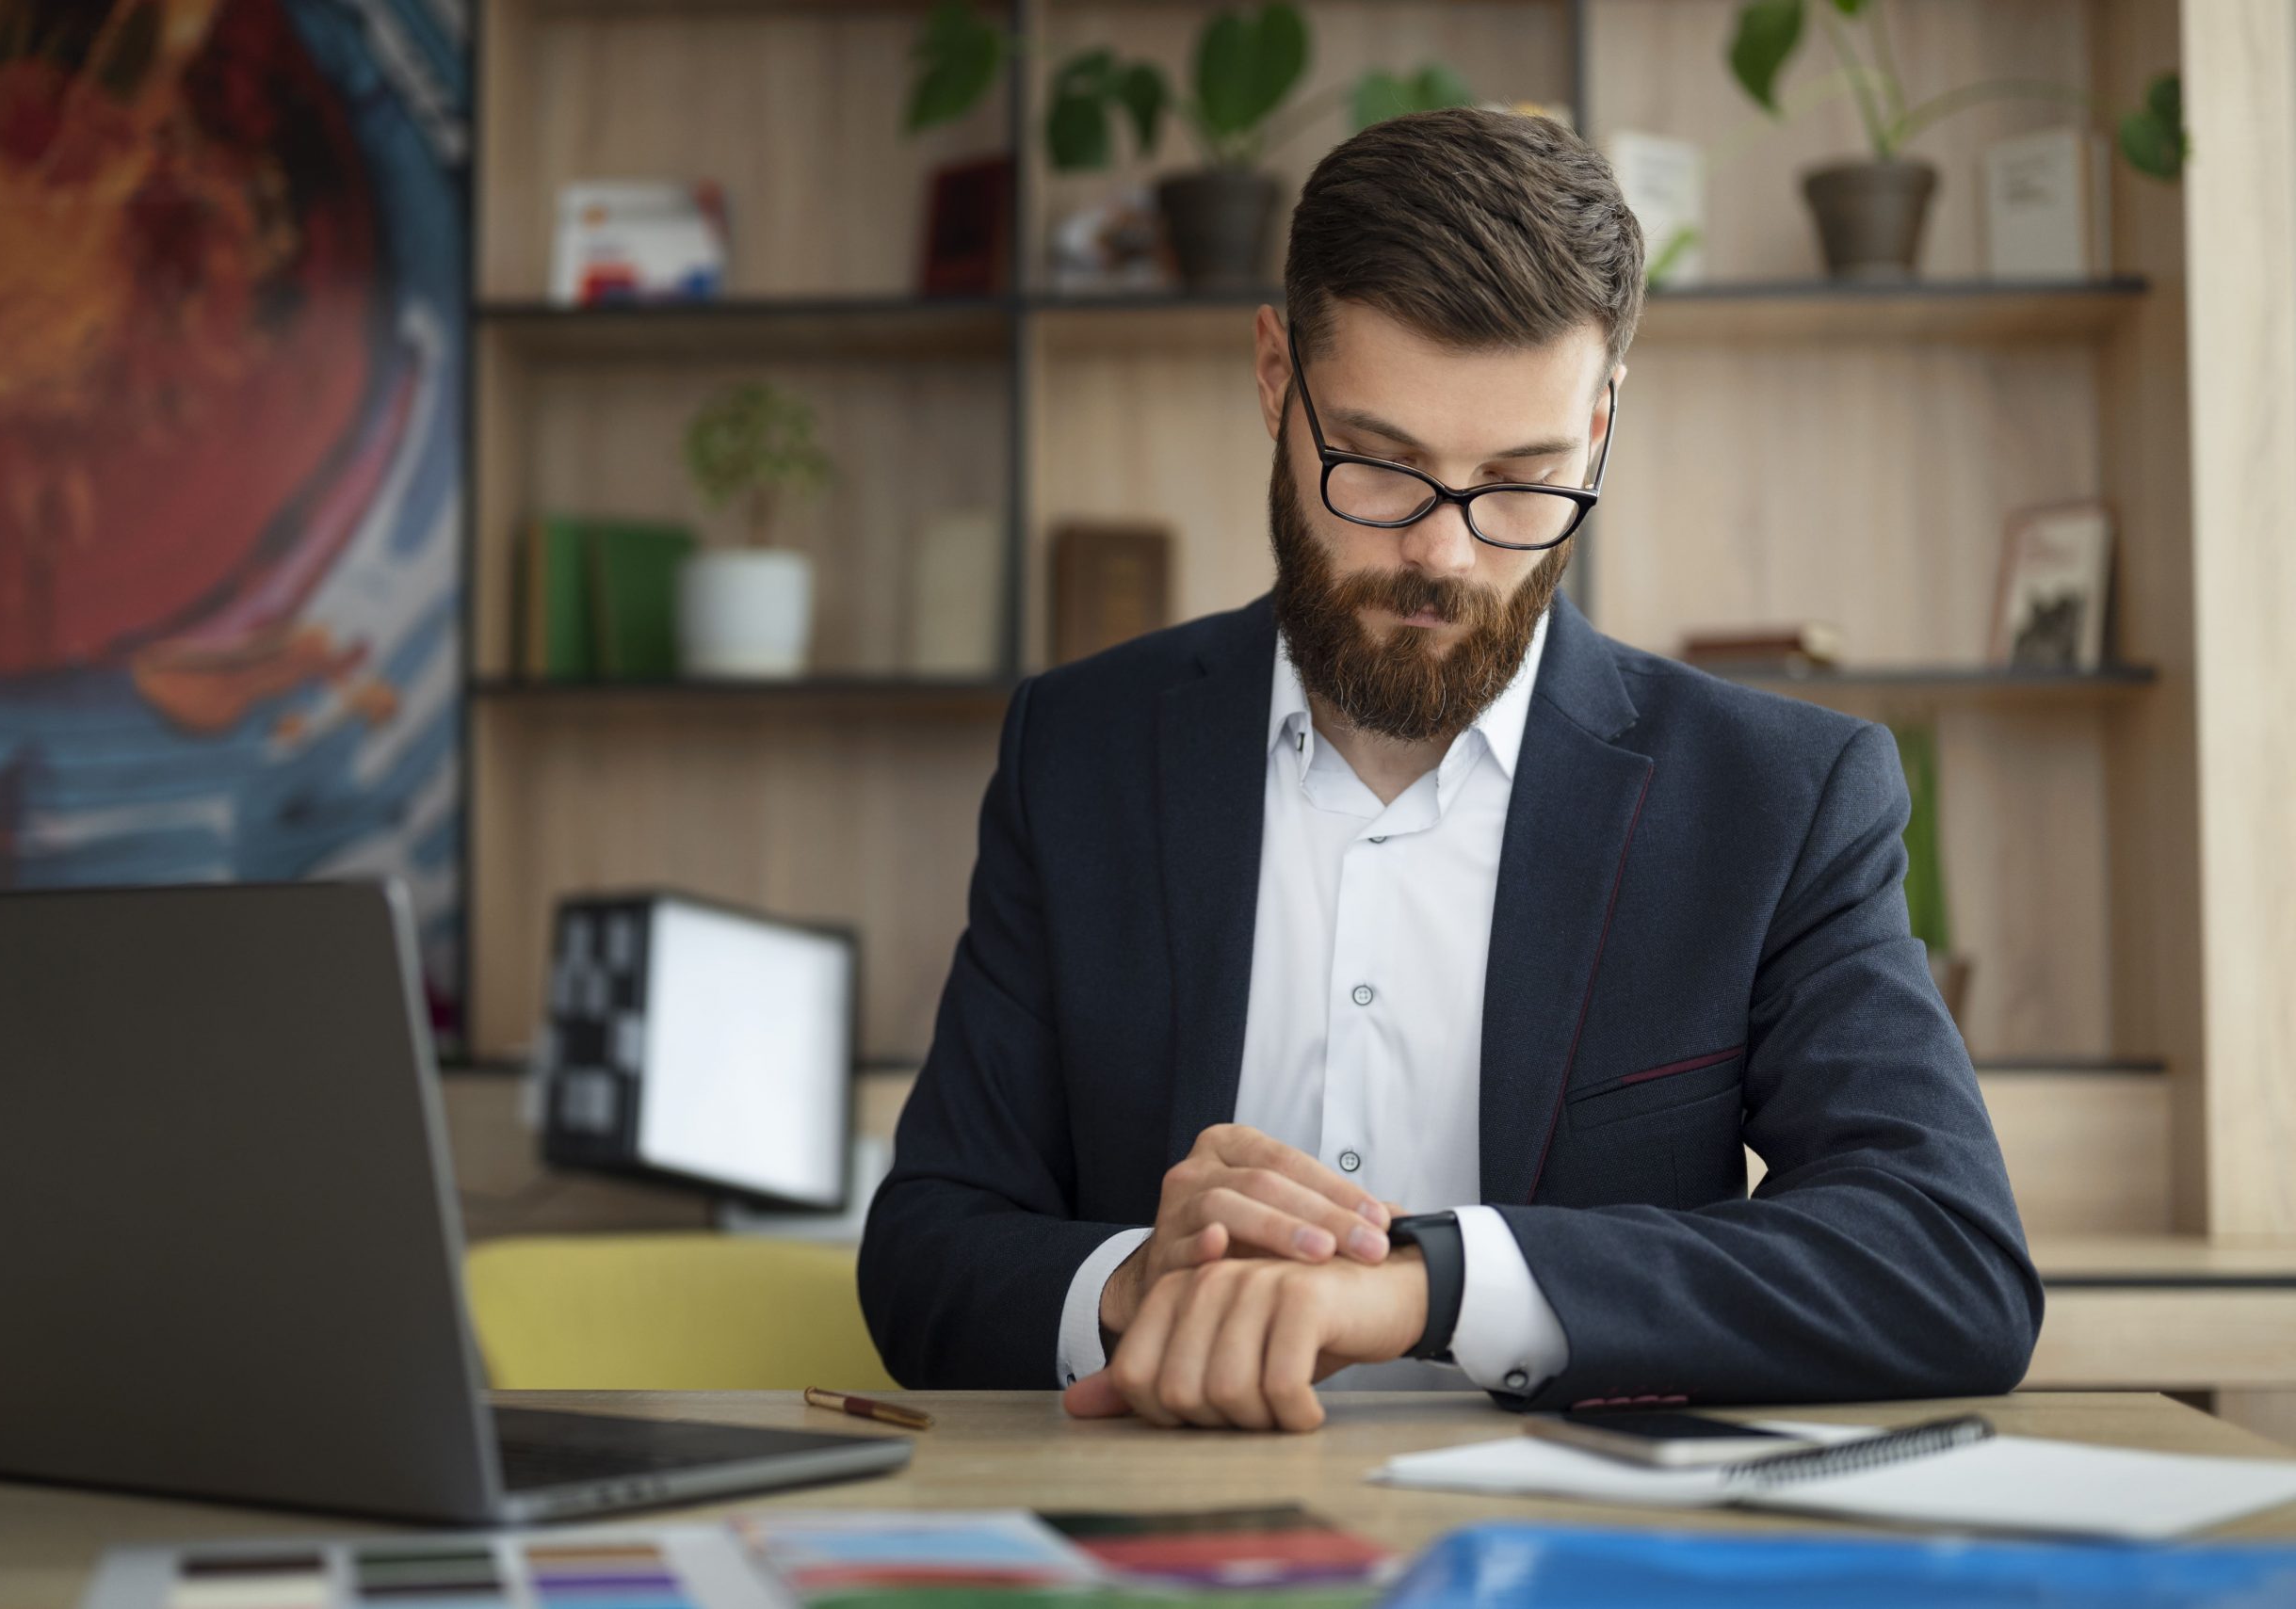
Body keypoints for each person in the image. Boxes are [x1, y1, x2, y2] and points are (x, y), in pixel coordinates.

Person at [857, 107, 2040, 1432]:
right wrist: (1137, 1282)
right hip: (1160, 1531)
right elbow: (924, 1252)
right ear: (1272, 377)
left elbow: (1946, 1263)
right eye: (1383, 465)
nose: (1447, 554)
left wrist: (1435, 1284)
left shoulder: (1779, 799)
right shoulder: (1077, 752)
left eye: (1520, 480)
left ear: (1598, 429)